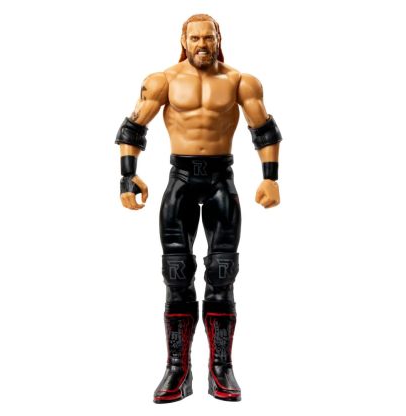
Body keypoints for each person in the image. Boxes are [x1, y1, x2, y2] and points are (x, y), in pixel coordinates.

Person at [115, 14, 282, 403]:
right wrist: (127, 176)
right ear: (184, 41)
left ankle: (221, 368)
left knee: (223, 275)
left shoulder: (240, 81)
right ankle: (178, 369)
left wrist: (270, 178)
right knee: (176, 275)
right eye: (195, 38)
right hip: (181, 180)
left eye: (208, 37)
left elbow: (264, 129)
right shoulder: (164, 80)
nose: (202, 44)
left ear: (218, 38)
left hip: (222, 179)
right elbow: (133, 127)